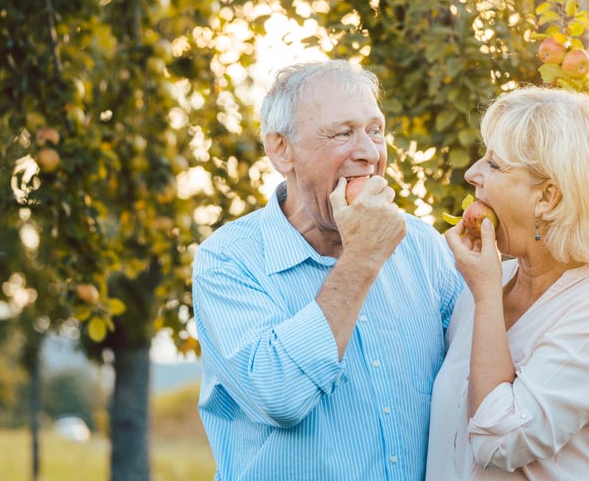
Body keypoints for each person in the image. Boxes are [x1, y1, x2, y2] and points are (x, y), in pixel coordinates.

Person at [191, 60, 466, 480]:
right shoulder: (228, 260)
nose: (370, 153)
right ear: (282, 150)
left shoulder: (422, 246)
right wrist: (361, 259)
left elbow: (473, 384)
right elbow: (278, 394)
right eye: (342, 133)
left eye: (376, 130)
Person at [426, 86, 589, 480]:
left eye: (494, 165)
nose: (472, 174)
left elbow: (497, 441)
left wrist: (485, 295)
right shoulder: (494, 280)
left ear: (548, 197)